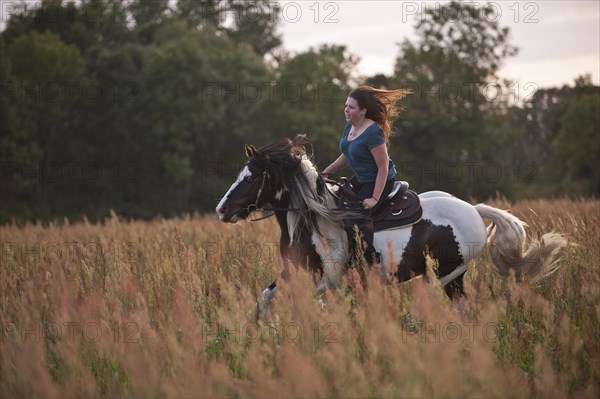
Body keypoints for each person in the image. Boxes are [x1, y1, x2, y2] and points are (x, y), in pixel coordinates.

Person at [323, 86, 412, 265]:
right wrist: (328, 171)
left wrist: (374, 198)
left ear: (363, 111)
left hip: (380, 180)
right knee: (334, 206)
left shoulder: (373, 133)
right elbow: (347, 152)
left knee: (353, 218)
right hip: (362, 178)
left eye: (351, 107)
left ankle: (369, 259)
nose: (347, 110)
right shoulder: (350, 125)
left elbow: (383, 166)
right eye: (346, 106)